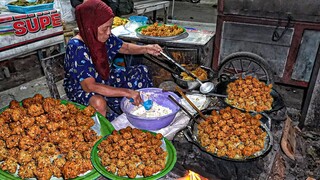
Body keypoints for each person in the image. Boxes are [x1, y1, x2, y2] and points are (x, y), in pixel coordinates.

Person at [63, 0, 162, 121]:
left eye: (110, 27)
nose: (109, 32)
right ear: (90, 27)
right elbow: (89, 86)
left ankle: (141, 106)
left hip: (104, 78)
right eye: (105, 28)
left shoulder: (104, 36)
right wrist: (127, 92)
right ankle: (102, 131)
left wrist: (147, 48)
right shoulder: (76, 47)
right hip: (81, 89)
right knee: (99, 102)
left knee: (141, 71)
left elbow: (125, 47)